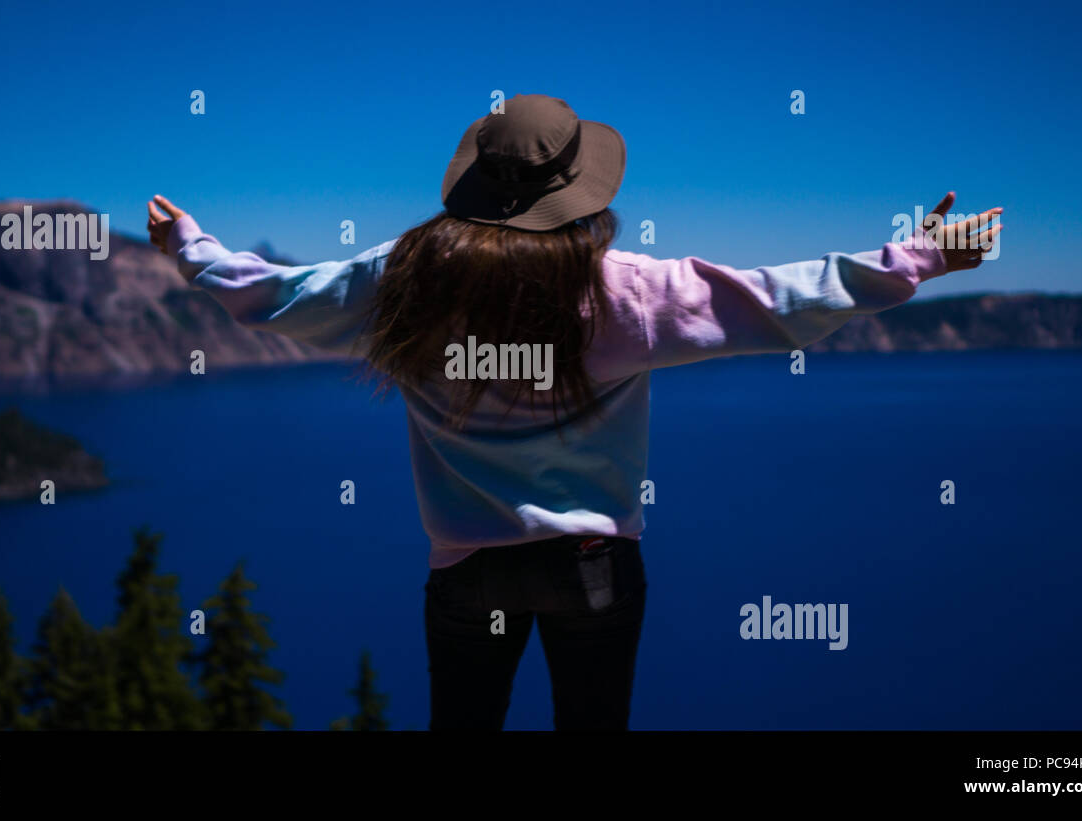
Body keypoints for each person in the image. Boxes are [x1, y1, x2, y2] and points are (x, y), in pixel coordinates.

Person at [145, 93, 1001, 731]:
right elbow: (782, 298)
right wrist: (917, 255)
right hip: (593, 569)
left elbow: (270, 295)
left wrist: (190, 247)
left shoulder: (401, 276)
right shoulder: (622, 289)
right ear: (579, 187)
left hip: (466, 572)